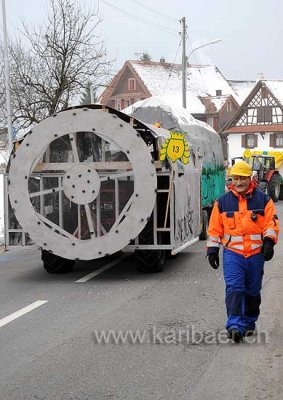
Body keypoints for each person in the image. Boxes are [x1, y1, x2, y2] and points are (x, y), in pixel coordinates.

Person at [206, 160, 279, 343]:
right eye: (235, 178)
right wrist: (213, 250)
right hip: (233, 254)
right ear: (231, 179)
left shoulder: (263, 200)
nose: (238, 183)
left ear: (250, 179)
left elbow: (271, 223)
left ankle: (248, 323)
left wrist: (269, 241)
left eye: (242, 179)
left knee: (253, 291)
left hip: (255, 255)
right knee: (235, 288)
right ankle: (234, 325)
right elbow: (215, 229)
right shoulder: (222, 202)